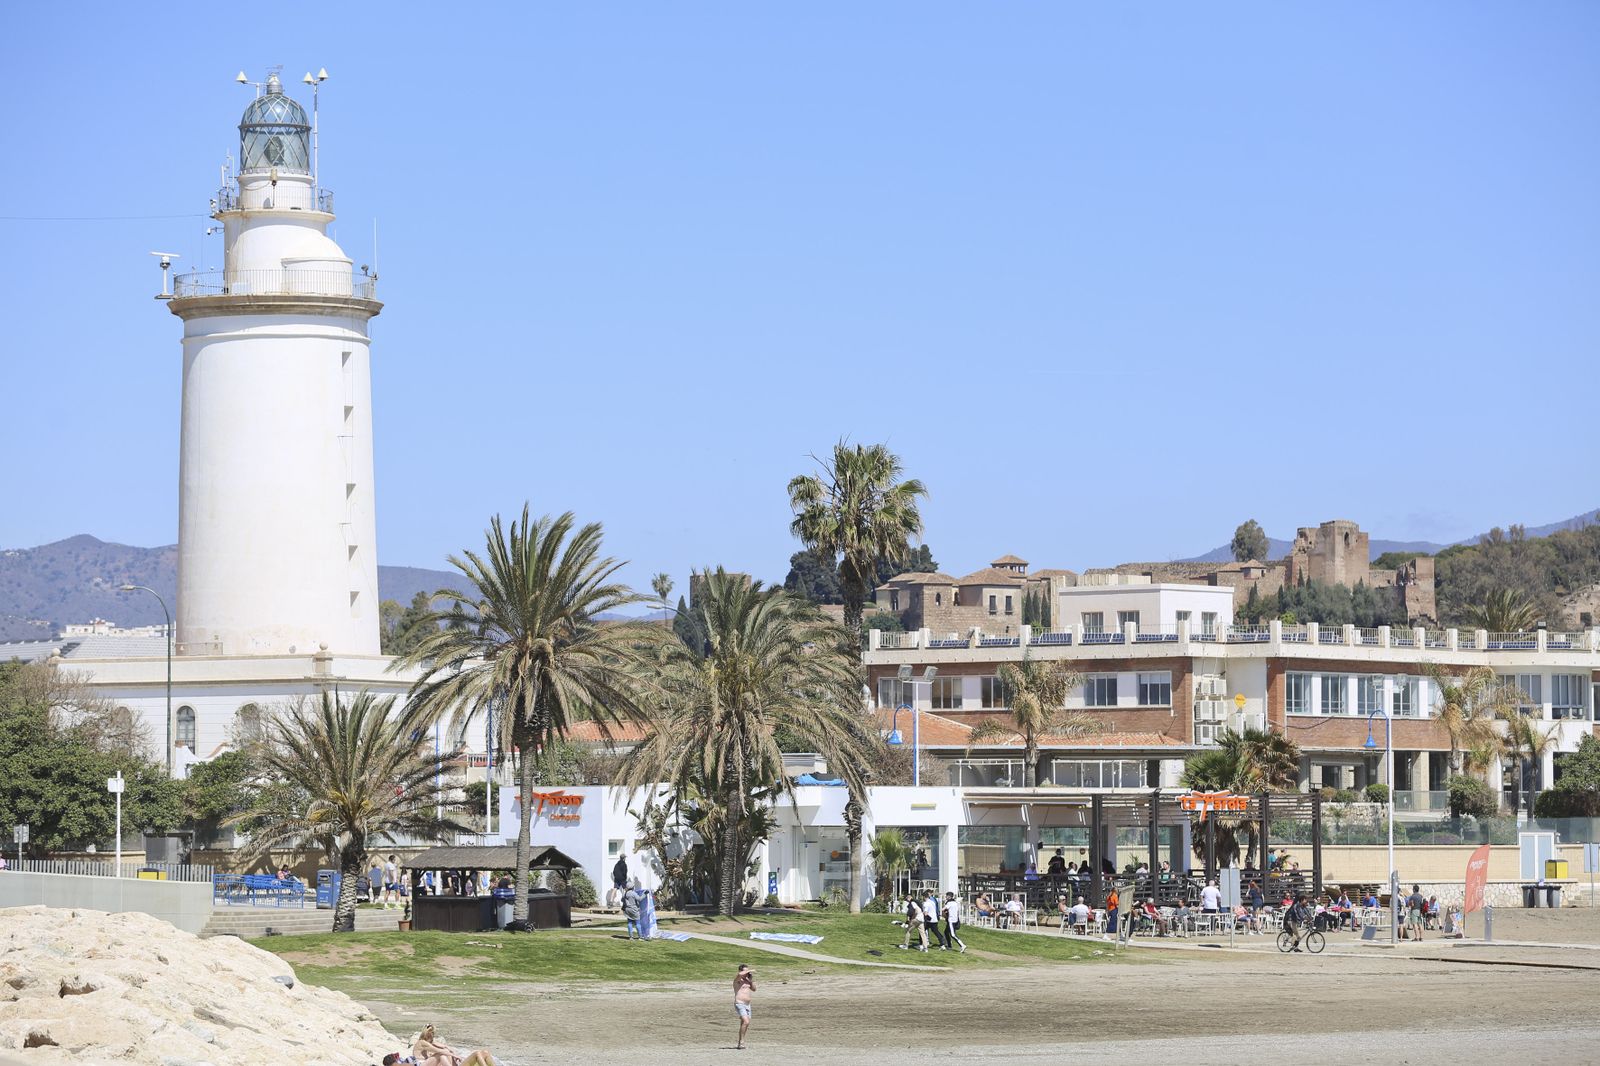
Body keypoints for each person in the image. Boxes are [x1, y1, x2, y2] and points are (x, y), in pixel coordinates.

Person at [410, 1024, 497, 1066]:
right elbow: (440, 1051)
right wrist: (454, 1055)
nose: (433, 1036)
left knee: (485, 1052)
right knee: (443, 1055)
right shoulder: (422, 1043)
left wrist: (448, 1048)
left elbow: (441, 1047)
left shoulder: (429, 1044)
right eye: (431, 1034)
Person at [733, 964, 755, 1049]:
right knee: (746, 1022)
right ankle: (741, 1042)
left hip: (747, 1005)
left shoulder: (747, 981)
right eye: (745, 971)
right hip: (739, 1003)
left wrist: (751, 980)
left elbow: (754, 989)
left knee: (744, 1023)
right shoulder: (737, 980)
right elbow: (739, 975)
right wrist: (749, 971)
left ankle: (740, 1042)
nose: (747, 973)